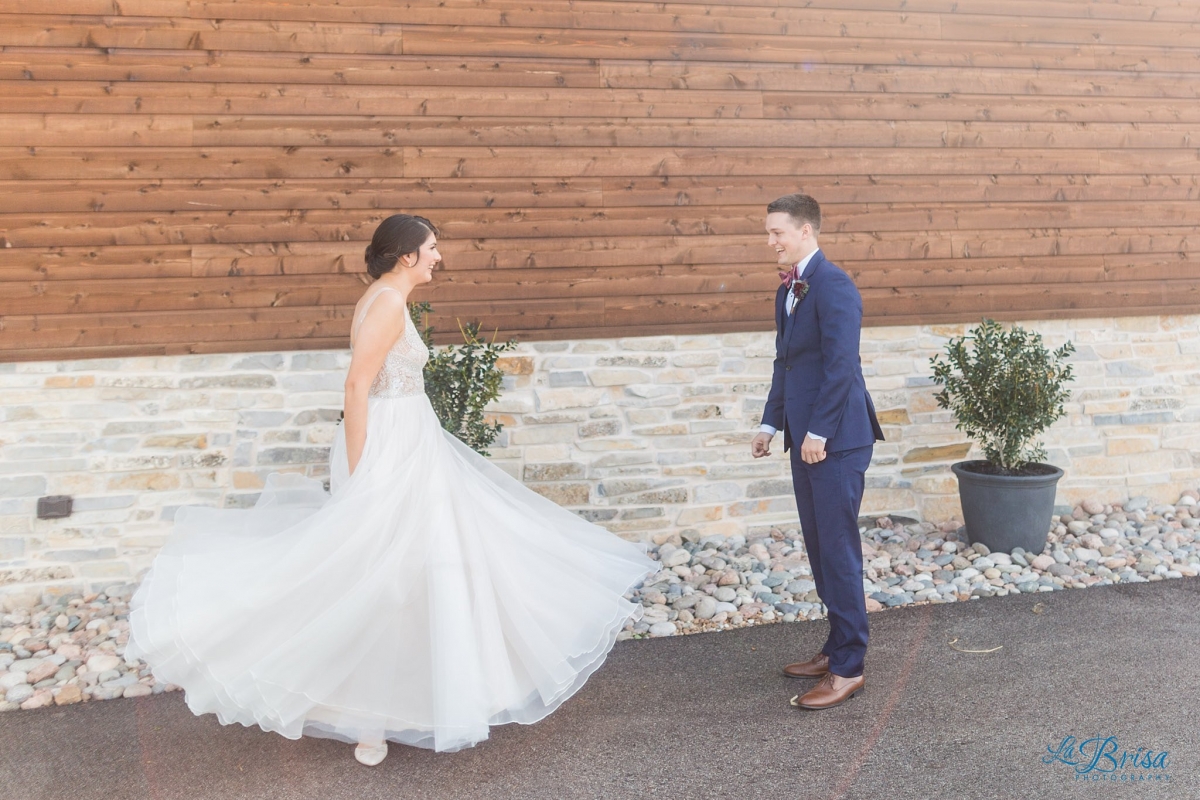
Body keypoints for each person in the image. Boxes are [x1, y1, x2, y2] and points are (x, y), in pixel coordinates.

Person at [127, 213, 656, 764]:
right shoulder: (384, 304)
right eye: (431, 248)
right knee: (381, 576)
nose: (438, 257)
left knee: (414, 572)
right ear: (406, 256)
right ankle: (367, 720)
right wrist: (361, 473)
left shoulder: (387, 299)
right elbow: (357, 386)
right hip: (390, 449)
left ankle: (408, 701)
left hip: (412, 443)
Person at [750, 194, 884, 710]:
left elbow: (841, 366)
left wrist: (819, 433)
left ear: (805, 231)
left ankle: (849, 667)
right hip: (804, 437)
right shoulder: (789, 289)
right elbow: (788, 365)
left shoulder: (834, 285)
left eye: (776, 233)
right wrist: (770, 423)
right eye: (768, 233)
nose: (770, 242)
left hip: (837, 440)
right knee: (818, 545)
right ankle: (835, 647)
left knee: (838, 548)